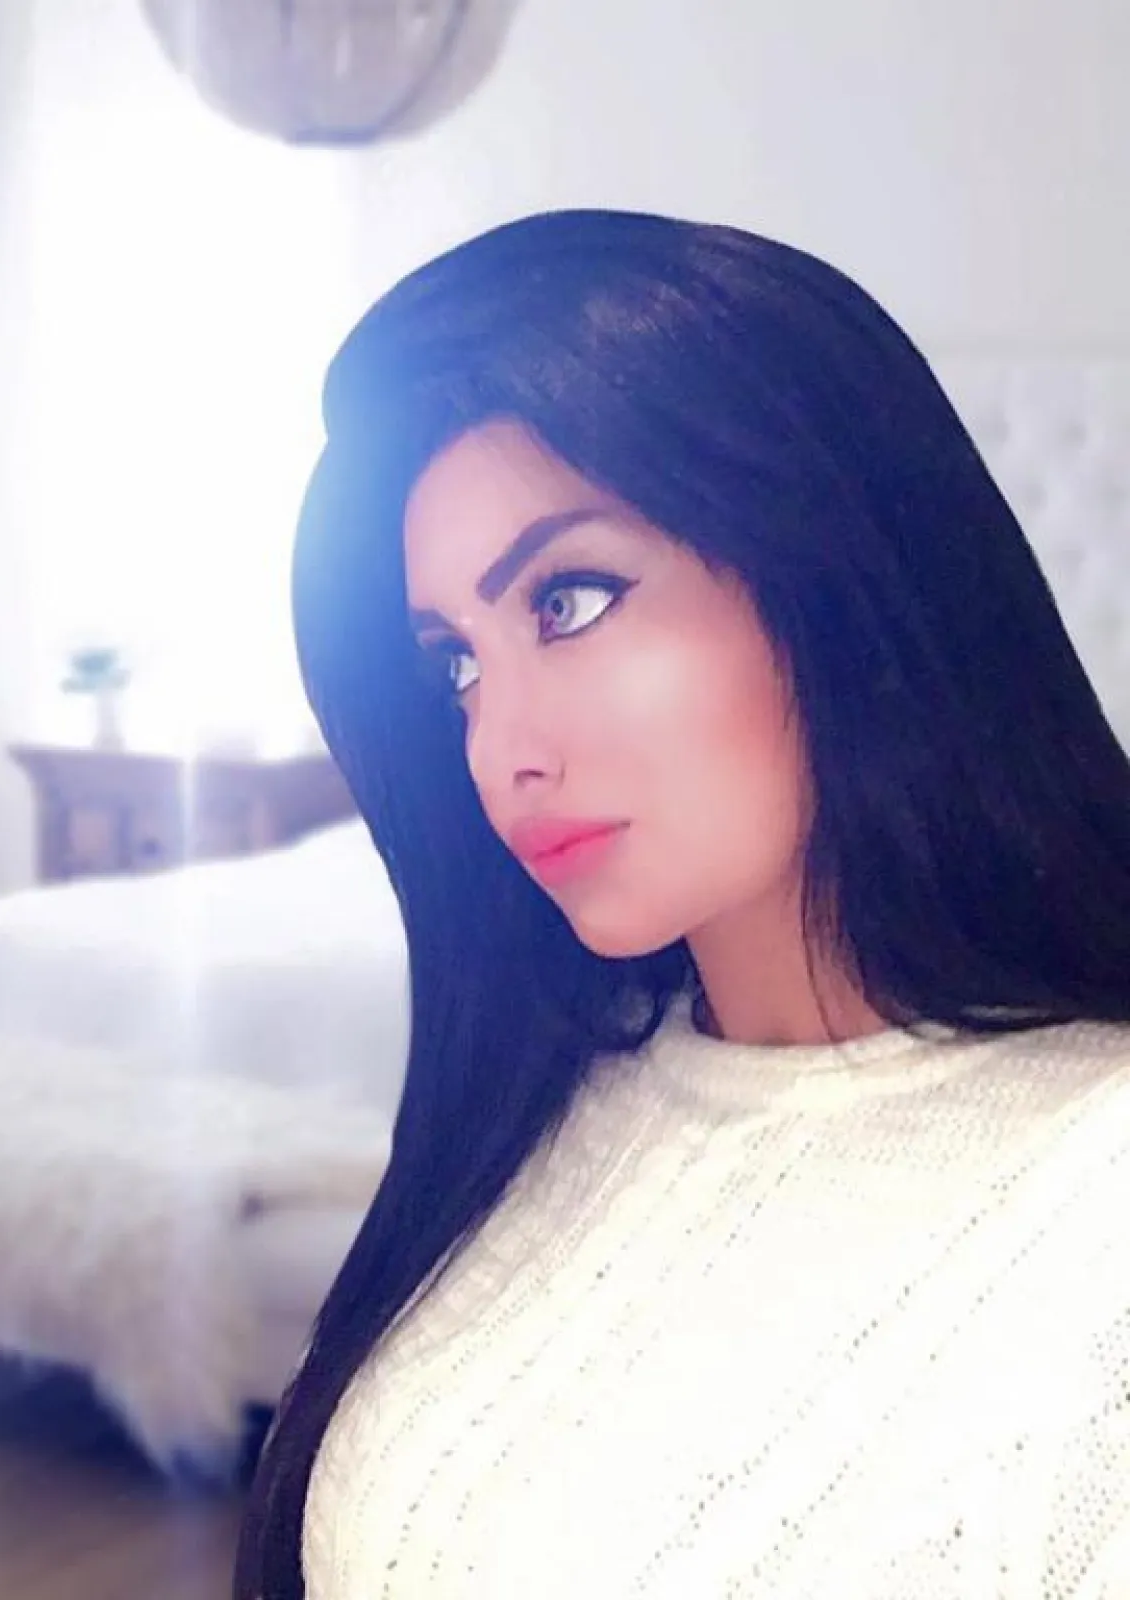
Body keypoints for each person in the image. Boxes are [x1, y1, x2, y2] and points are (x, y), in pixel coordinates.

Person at [234, 209, 1130, 1600]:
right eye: (455, 664)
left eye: (570, 600)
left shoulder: (1091, 1189)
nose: (500, 748)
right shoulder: (552, 1103)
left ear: (834, 571)